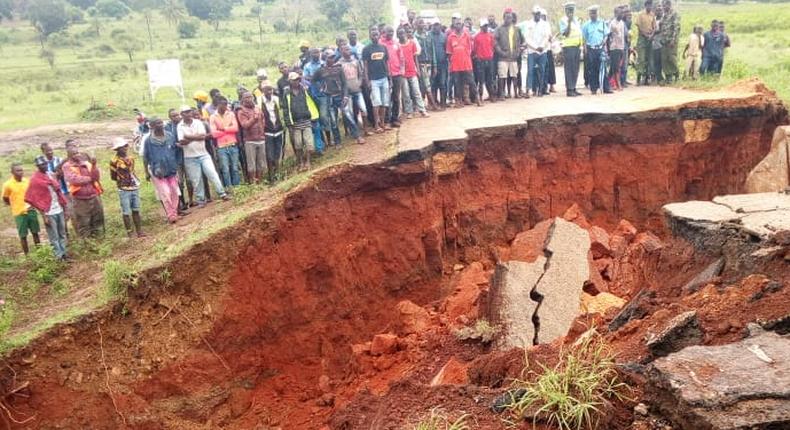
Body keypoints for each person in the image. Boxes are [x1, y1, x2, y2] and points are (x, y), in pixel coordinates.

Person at [177, 106, 229, 207]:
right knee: (196, 180)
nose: (188, 114)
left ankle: (222, 194)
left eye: (189, 112)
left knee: (213, 174)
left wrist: (188, 137)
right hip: (189, 157)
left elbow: (203, 137)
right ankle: (201, 200)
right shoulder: (180, 126)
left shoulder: (198, 122)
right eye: (185, 112)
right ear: (182, 114)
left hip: (203, 154)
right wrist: (196, 137)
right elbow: (182, 141)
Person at [316, 50, 365, 145]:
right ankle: (338, 142)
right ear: (325, 58)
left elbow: (344, 83)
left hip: (341, 96)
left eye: (333, 57)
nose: (332, 59)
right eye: (330, 57)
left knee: (348, 116)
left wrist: (346, 96)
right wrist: (321, 88)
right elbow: (314, 80)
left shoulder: (339, 68)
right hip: (329, 98)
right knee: (333, 121)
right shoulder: (321, 70)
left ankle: (358, 136)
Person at [26, 156, 68, 260]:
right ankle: (58, 257)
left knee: (62, 233)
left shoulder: (50, 175)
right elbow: (33, 198)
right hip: (48, 211)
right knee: (54, 236)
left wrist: (65, 208)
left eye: (45, 163)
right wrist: (43, 215)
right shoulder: (35, 180)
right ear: (37, 166)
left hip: (58, 207)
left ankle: (64, 254)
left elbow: (58, 191)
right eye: (41, 165)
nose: (44, 166)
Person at [62, 140, 104, 238]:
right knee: (84, 223)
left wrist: (94, 165)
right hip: (80, 199)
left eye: (77, 152)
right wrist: (90, 178)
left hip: (93, 196)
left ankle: (99, 242)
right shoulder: (67, 166)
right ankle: (88, 246)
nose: (77, 155)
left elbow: (96, 176)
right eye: (74, 153)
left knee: (97, 221)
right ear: (69, 155)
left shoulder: (86, 163)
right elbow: (74, 180)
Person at [141, 118, 179, 224]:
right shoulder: (149, 141)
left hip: (171, 168)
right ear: (152, 126)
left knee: (174, 191)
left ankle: (174, 211)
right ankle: (171, 214)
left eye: (161, 122)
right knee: (165, 193)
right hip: (158, 171)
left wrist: (177, 166)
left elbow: (175, 151)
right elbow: (145, 157)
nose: (161, 124)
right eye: (157, 123)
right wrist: (146, 172)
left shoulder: (170, 136)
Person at [281, 72, 319, 171]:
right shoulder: (287, 93)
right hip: (295, 123)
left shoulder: (304, 90)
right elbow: (285, 109)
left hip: (306, 120)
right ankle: (301, 163)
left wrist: (313, 116)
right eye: (294, 80)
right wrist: (289, 124)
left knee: (309, 144)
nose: (296, 81)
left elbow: (311, 101)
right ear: (290, 81)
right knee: (298, 145)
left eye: (298, 79)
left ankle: (308, 162)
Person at [108, 137, 144, 237]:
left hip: (134, 186)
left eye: (124, 146)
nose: (124, 148)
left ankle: (139, 231)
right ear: (117, 149)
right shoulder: (114, 161)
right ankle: (130, 233)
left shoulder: (131, 159)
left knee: (136, 209)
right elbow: (113, 176)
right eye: (121, 147)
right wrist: (122, 181)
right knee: (126, 212)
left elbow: (132, 171)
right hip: (123, 188)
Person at [3, 163, 40, 254]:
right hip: (19, 213)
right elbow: (5, 198)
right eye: (18, 170)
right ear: (12, 172)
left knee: (35, 233)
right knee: (23, 235)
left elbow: (32, 194)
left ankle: (40, 252)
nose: (21, 172)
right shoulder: (8, 184)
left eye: (21, 170)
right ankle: (27, 255)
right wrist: (15, 205)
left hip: (31, 210)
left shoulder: (26, 181)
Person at [362, 27, 391, 132]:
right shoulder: (366, 49)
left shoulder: (383, 47)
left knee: (384, 102)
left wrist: (389, 78)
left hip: (384, 78)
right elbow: (365, 66)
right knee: (376, 102)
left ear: (379, 36)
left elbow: (387, 64)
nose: (375, 36)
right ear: (370, 36)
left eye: (376, 34)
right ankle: (376, 125)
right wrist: (367, 80)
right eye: (373, 35)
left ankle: (382, 123)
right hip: (374, 80)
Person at [446, 16, 479, 107]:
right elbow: (449, 52)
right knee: (457, 83)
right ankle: (458, 101)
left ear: (462, 25)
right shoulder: (450, 37)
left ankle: (477, 99)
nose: (458, 25)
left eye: (459, 23)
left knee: (471, 81)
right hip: (456, 65)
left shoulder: (466, 35)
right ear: (453, 25)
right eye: (456, 23)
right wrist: (453, 60)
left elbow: (470, 49)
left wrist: (465, 56)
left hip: (466, 64)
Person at [209, 97, 241, 187]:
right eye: (223, 104)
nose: (225, 106)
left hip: (232, 144)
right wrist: (229, 129)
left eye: (226, 104)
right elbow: (214, 133)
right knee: (225, 169)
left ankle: (237, 187)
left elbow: (236, 128)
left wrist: (223, 129)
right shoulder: (213, 117)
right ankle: (229, 188)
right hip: (221, 147)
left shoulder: (231, 114)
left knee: (235, 168)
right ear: (218, 105)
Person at [520, 6, 551, 98]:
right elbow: (527, 38)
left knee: (542, 70)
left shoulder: (545, 24)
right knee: (530, 71)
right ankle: (529, 90)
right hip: (532, 51)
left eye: (538, 14)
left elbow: (547, 36)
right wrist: (536, 47)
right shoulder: (528, 24)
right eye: (535, 14)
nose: (537, 15)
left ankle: (540, 90)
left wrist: (541, 46)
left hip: (543, 50)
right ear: (533, 14)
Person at [399, 27, 429, 118]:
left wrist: (418, 70)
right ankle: (409, 112)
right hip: (403, 73)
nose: (401, 35)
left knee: (416, 91)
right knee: (406, 93)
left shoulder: (412, 44)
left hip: (412, 71)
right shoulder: (398, 46)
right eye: (399, 34)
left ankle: (422, 110)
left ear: (405, 34)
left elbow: (415, 58)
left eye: (402, 33)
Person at [237, 91, 266, 183]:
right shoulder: (241, 111)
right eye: (246, 97)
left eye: (250, 97)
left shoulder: (258, 108)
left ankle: (260, 182)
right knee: (251, 165)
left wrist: (262, 130)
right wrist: (254, 119)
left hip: (261, 139)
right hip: (250, 141)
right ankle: (253, 183)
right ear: (242, 100)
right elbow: (244, 125)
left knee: (261, 164)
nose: (249, 99)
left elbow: (263, 119)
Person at [582, 5, 612, 95]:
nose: (593, 15)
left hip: (600, 48)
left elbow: (606, 34)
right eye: (591, 13)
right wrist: (585, 49)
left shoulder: (602, 23)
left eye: (594, 13)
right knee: (592, 69)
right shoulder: (586, 25)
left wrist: (604, 41)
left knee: (603, 68)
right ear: (589, 14)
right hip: (591, 49)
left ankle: (606, 88)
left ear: (597, 13)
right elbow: (584, 38)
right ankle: (593, 88)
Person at [303, 47, 327, 154]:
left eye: (317, 52)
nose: (316, 54)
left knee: (324, 117)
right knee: (316, 119)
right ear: (310, 54)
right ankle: (321, 143)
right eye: (314, 52)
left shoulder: (324, 64)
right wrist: (313, 79)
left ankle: (327, 140)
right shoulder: (307, 66)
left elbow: (327, 77)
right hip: (312, 95)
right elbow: (305, 79)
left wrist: (312, 78)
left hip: (324, 94)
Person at [494, 10, 523, 99]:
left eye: (510, 17)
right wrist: (501, 52)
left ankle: (516, 93)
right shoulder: (499, 29)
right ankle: (502, 94)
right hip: (502, 57)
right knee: (502, 76)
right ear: (504, 18)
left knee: (515, 75)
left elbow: (520, 42)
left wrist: (518, 52)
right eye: (507, 17)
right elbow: (495, 43)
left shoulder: (516, 29)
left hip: (513, 57)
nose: (509, 19)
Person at [260, 81, 285, 182]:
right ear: (263, 91)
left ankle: (278, 174)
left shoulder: (276, 99)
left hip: (278, 129)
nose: (269, 91)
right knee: (269, 155)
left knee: (277, 153)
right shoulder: (259, 101)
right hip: (267, 131)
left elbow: (281, 112)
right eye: (267, 89)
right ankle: (271, 176)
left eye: (270, 89)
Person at [380, 26, 404, 127]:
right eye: (388, 31)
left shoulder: (396, 43)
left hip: (397, 74)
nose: (390, 33)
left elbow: (401, 57)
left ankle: (395, 118)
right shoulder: (381, 44)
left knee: (396, 97)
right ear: (384, 32)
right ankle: (386, 120)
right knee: (386, 98)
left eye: (392, 31)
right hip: (385, 75)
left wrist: (402, 69)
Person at [559, 2, 583, 96]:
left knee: (575, 68)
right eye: (569, 10)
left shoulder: (576, 20)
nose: (571, 12)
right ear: (565, 10)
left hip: (577, 47)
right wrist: (569, 22)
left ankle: (574, 88)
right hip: (568, 47)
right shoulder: (563, 20)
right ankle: (569, 90)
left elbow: (579, 33)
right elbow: (565, 33)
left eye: (572, 10)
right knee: (569, 69)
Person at [414, 19, 438, 111]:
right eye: (420, 22)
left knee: (428, 84)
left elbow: (433, 51)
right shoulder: (414, 37)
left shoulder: (428, 36)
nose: (422, 24)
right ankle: (433, 105)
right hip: (421, 63)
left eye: (423, 23)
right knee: (426, 84)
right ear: (416, 25)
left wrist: (434, 65)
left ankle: (426, 104)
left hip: (429, 63)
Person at [474, 20, 496, 102]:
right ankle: (480, 97)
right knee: (481, 80)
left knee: (490, 80)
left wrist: (490, 55)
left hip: (489, 60)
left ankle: (491, 95)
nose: (486, 27)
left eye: (486, 25)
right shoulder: (477, 37)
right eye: (484, 26)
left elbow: (492, 47)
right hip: (481, 61)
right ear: (481, 27)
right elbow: (475, 49)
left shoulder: (490, 36)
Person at [635, 0, 656, 85]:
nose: (649, 7)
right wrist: (645, 35)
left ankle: (646, 78)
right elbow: (639, 27)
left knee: (649, 59)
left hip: (650, 38)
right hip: (642, 39)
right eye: (648, 5)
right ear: (645, 5)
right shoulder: (640, 14)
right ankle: (638, 78)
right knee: (641, 59)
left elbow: (654, 27)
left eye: (651, 5)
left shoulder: (652, 15)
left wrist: (651, 35)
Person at [659, 0, 680, 83]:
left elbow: (676, 28)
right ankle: (668, 77)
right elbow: (662, 26)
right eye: (663, 6)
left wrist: (673, 40)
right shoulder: (664, 15)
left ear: (669, 5)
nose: (663, 7)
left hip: (671, 41)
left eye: (665, 6)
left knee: (672, 58)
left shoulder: (674, 14)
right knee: (664, 59)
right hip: (664, 41)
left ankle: (676, 74)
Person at [428, 21, 449, 107]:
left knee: (442, 83)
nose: (436, 27)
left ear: (440, 26)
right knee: (433, 84)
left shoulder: (444, 36)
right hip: (431, 65)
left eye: (437, 25)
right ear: (432, 26)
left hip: (442, 64)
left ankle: (443, 103)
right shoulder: (428, 36)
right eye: (434, 25)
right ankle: (434, 104)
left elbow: (447, 50)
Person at [608, 6, 626, 91]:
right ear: (615, 14)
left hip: (620, 47)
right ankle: (618, 84)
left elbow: (622, 36)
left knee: (614, 67)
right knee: (616, 67)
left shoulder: (622, 23)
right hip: (614, 47)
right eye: (620, 13)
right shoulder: (613, 23)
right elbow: (617, 35)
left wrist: (623, 48)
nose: (622, 15)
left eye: (622, 13)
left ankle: (609, 83)